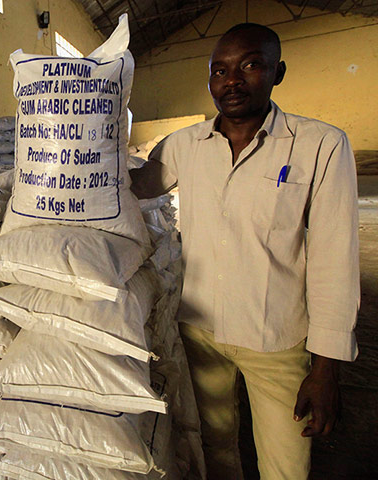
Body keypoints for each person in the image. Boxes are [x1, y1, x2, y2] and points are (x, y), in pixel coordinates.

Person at [131, 23, 359, 480]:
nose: (231, 80)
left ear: (277, 72)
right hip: (199, 332)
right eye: (219, 71)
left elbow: (336, 257)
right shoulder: (184, 145)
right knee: (214, 450)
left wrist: (326, 367)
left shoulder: (320, 145)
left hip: (275, 337)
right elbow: (132, 189)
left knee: (286, 464)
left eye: (250, 65)